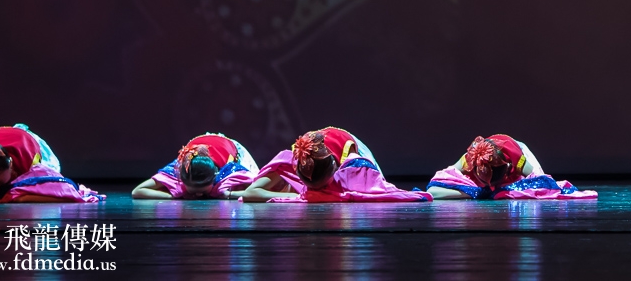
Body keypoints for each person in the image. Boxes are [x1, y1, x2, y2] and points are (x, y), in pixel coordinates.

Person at [241, 127, 431, 203]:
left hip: (350, 151)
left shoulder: (355, 165)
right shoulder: (295, 161)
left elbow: (378, 193)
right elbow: (250, 193)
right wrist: (299, 197)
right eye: (312, 187)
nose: (317, 192)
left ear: (335, 171)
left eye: (323, 186)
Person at [0, 124, 102, 203]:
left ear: (11, 165)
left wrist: (17, 197)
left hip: (31, 147)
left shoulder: (32, 166)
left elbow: (70, 194)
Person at [426, 134, 597, 200]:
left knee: (544, 190)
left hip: (517, 151)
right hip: (481, 180)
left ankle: (493, 187)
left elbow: (545, 184)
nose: (492, 187)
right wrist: (474, 192)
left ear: (507, 169)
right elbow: (433, 189)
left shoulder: (517, 159)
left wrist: (509, 189)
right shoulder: (470, 158)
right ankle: (483, 189)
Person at [132, 133, 258, 199]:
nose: (198, 196)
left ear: (214, 178)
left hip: (230, 147)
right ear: (182, 180)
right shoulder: (177, 172)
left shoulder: (229, 171)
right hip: (200, 145)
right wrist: (171, 196)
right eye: (192, 191)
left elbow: (258, 190)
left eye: (203, 191)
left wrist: (229, 194)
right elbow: (137, 191)